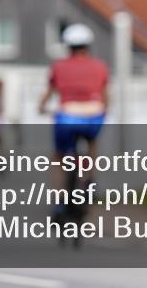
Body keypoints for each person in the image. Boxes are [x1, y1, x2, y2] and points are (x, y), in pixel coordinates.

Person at [39, 23, 109, 209]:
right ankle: (90, 181)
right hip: (93, 116)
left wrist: (41, 107)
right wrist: (104, 110)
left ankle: (60, 201)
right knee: (92, 143)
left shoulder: (59, 67)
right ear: (88, 45)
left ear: (68, 46)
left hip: (67, 117)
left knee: (59, 157)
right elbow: (105, 95)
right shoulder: (99, 66)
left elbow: (49, 92)